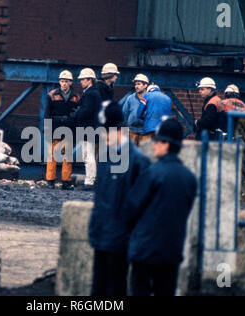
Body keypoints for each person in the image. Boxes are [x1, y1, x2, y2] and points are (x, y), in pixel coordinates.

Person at [123, 118, 197, 296]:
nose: (153, 145)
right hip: (172, 250)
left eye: (157, 141)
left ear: (165, 145)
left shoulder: (151, 173)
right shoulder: (189, 178)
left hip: (145, 249)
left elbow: (131, 208)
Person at [89, 101, 152, 296]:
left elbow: (139, 205)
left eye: (106, 132)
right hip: (101, 238)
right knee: (98, 290)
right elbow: (100, 197)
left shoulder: (138, 162)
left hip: (121, 242)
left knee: (116, 289)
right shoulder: (105, 157)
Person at [44, 70, 79, 190]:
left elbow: (77, 115)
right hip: (54, 127)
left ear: (70, 83)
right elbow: (47, 113)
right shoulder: (51, 95)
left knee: (68, 156)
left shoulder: (76, 97)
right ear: (59, 82)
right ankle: (50, 181)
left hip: (69, 128)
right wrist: (47, 129)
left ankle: (66, 181)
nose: (64, 83)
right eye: (62, 81)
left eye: (67, 81)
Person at [75, 68, 102, 190]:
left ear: (89, 80)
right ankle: (90, 180)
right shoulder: (93, 92)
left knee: (88, 156)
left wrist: (76, 114)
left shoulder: (91, 94)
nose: (81, 82)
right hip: (91, 128)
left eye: (83, 79)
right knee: (88, 155)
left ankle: (90, 181)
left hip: (89, 128)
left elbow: (86, 111)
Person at [122, 74, 150, 146]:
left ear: (145, 85)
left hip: (144, 132)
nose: (136, 86)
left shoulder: (150, 99)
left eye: (139, 84)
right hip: (131, 131)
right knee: (131, 154)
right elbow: (124, 113)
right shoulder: (130, 98)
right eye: (135, 84)